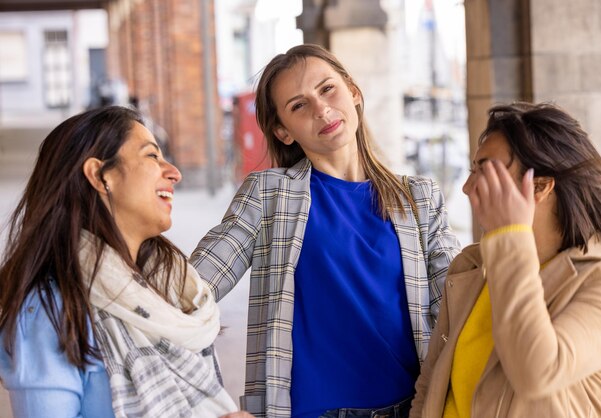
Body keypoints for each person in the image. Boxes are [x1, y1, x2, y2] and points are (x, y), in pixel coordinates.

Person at [190, 43, 460, 418]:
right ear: (283, 131)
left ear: (354, 92)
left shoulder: (420, 199)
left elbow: (457, 308)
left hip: (412, 409)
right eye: (298, 105)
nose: (321, 109)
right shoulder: (268, 194)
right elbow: (192, 289)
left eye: (327, 89)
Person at [0, 106, 253, 418]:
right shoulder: (49, 309)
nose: (174, 172)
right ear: (100, 175)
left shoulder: (170, 287)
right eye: (152, 156)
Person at [410, 102, 601, 417]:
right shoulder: (472, 265)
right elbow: (431, 386)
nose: (468, 187)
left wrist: (510, 234)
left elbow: (536, 371)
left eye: (485, 170)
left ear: (540, 186)